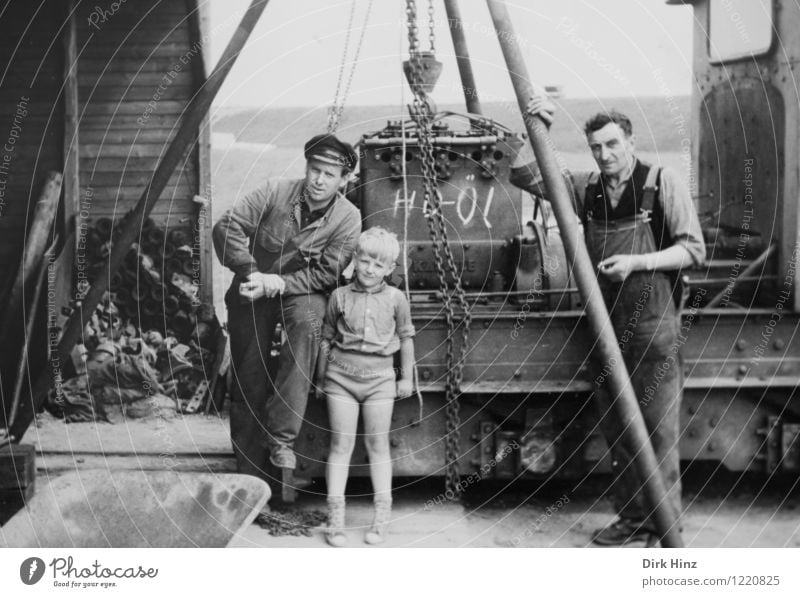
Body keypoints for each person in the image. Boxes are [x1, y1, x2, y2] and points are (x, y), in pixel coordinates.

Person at [511, 92, 705, 546]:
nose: (605, 155)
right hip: (606, 327)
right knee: (618, 432)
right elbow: (521, 172)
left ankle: (665, 529)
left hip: (654, 327)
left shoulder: (662, 182)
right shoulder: (587, 189)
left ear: (631, 142)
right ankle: (632, 519)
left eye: (613, 144)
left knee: (658, 433)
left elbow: (693, 250)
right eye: (597, 147)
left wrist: (637, 263)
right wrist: (536, 123)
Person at [213, 133, 362, 494]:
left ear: (345, 181)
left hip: (302, 292)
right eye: (315, 170)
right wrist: (251, 273)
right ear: (306, 168)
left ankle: (281, 440)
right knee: (249, 370)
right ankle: (248, 472)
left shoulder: (348, 217)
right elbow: (226, 227)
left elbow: (327, 274)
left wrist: (277, 284)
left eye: (329, 174)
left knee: (309, 325)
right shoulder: (275, 191)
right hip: (253, 284)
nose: (319, 180)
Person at [315, 227, 416, 547]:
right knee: (340, 447)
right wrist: (320, 378)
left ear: (389, 269)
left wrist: (406, 378)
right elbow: (327, 339)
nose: (370, 269)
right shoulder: (339, 296)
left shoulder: (397, 299)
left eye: (379, 264)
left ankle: (381, 518)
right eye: (365, 261)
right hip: (340, 381)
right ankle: (335, 520)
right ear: (355, 260)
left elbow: (406, 338)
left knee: (378, 447)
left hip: (380, 383)